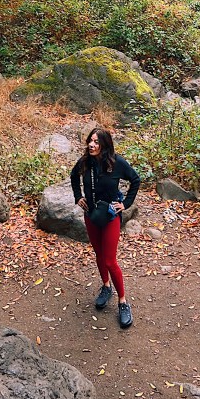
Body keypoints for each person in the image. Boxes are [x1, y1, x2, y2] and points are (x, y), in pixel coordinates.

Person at [70, 126, 140, 329]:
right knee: (99, 255)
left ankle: (123, 302)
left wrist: (125, 204)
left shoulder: (116, 163)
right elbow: (74, 176)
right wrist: (78, 197)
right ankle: (106, 286)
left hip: (110, 216)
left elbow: (135, 180)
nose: (91, 145)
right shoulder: (85, 162)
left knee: (110, 260)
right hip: (91, 214)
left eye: (96, 142)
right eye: (90, 141)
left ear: (105, 145)